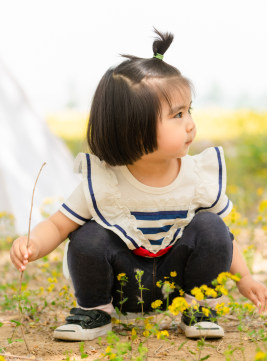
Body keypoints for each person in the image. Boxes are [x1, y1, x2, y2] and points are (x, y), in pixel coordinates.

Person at [10, 29, 267, 341]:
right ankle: (95, 312)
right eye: (177, 115)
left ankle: (199, 308)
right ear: (134, 131)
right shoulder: (104, 181)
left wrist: (245, 279)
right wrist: (32, 245)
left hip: (175, 277)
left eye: (189, 110)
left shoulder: (196, 176)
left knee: (212, 226)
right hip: (124, 283)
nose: (190, 124)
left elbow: (226, 240)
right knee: (87, 234)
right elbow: (58, 225)